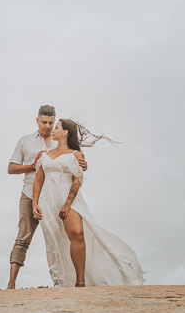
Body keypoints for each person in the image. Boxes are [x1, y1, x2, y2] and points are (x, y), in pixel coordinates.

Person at [32, 118, 145, 287]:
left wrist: (67, 204)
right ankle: (60, 281)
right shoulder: (44, 155)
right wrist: (35, 204)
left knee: (77, 233)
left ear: (65, 132)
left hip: (69, 200)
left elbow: (76, 182)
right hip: (48, 201)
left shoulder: (76, 155)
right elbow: (38, 181)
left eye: (56, 127)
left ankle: (80, 281)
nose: (52, 129)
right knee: (55, 241)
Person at [6, 105, 87, 290]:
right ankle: (11, 282)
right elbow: (11, 168)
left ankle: (71, 280)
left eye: (52, 122)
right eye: (44, 122)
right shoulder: (25, 141)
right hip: (30, 194)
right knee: (24, 236)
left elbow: (72, 162)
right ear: (37, 120)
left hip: (57, 195)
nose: (48, 126)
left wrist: (83, 164)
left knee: (63, 236)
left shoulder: (58, 141)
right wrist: (32, 165)